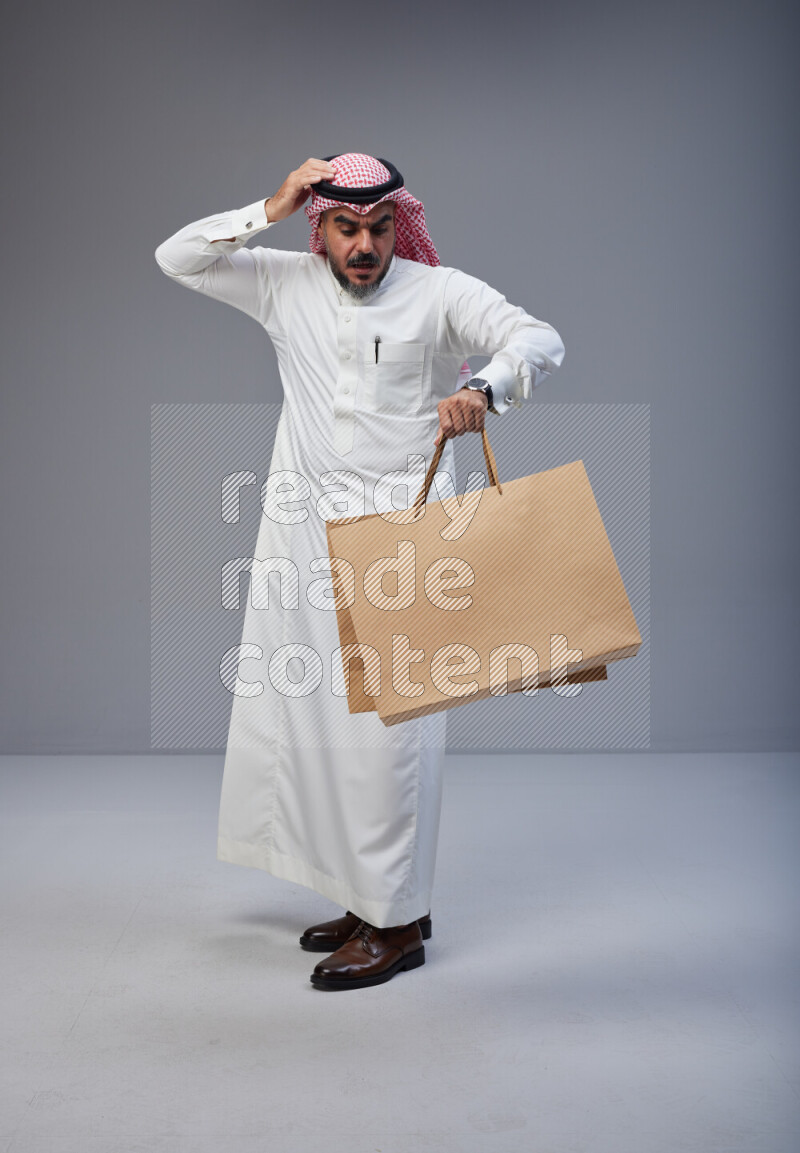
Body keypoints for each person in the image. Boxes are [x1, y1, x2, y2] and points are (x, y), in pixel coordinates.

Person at [154, 153, 565, 990]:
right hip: (301, 532)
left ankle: (399, 924)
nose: (366, 245)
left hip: (401, 536)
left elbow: (539, 337)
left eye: (380, 227)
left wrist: (485, 388)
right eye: (347, 227)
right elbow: (178, 256)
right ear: (321, 224)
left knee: (389, 738)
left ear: (396, 223)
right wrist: (270, 202)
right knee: (318, 721)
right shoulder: (283, 282)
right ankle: (364, 897)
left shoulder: (435, 292)